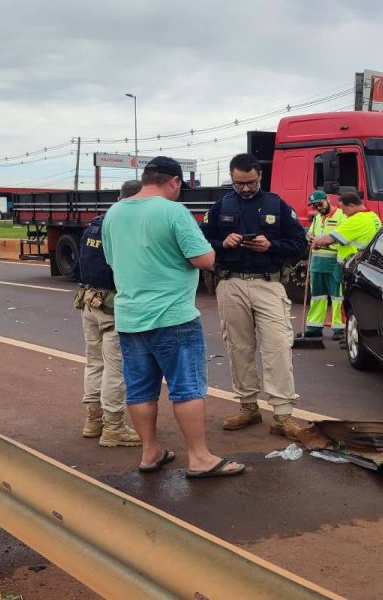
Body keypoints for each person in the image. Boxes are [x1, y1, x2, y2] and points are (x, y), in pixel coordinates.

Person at [102, 157, 244, 479]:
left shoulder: (114, 212)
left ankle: (150, 452)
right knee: (187, 387)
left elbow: (112, 259)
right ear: (175, 182)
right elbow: (205, 259)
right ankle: (200, 458)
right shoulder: (173, 211)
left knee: (140, 390)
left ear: (145, 178)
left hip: (130, 317)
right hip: (173, 316)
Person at [201, 153, 308, 439]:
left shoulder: (277, 205)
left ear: (260, 176)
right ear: (232, 178)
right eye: (239, 183)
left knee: (277, 347)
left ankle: (283, 415)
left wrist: (271, 245)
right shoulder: (221, 206)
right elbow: (200, 241)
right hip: (230, 283)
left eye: (250, 182)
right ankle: (248, 407)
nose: (245, 189)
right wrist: (223, 242)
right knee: (239, 347)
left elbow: (299, 243)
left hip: (268, 284)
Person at [72, 180, 143, 447]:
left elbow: (78, 268)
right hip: (115, 306)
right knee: (116, 368)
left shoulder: (95, 224)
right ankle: (114, 427)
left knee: (94, 363)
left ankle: (93, 420)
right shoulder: (127, 228)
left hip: (89, 301)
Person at [312, 191, 382, 293]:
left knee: (344, 299)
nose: (343, 213)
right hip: (367, 263)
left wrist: (317, 242)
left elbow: (328, 239)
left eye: (343, 209)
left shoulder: (355, 220)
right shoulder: (372, 215)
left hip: (352, 265)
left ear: (351, 206)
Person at [303, 190, 346, 341]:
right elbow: (310, 234)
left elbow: (344, 237)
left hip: (335, 262)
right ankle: (314, 327)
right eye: (315, 206)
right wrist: (309, 238)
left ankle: (339, 328)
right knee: (317, 296)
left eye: (320, 204)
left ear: (328, 199)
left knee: (337, 297)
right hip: (317, 263)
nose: (318, 208)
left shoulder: (342, 215)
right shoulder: (317, 218)